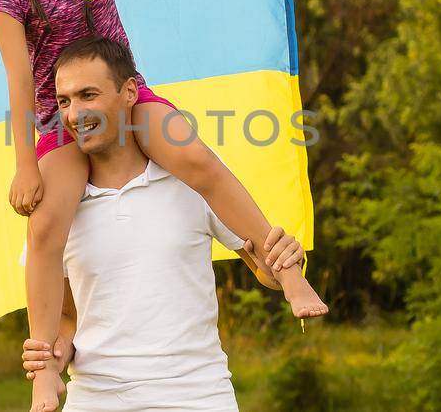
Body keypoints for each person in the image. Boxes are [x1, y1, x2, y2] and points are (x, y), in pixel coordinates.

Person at [0, 0, 327, 410]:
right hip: (60, 116)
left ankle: (288, 272)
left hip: (126, 93)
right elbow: (20, 82)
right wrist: (26, 164)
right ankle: (44, 370)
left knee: (197, 161)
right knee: (45, 231)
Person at [17, 37, 307, 411]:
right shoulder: (57, 207)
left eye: (88, 95)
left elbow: (261, 268)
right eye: (64, 101)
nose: (74, 114)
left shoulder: (192, 180)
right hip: (97, 401)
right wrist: (54, 356)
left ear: (129, 93)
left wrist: (286, 263)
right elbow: (69, 317)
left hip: (198, 397)